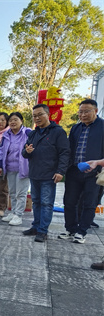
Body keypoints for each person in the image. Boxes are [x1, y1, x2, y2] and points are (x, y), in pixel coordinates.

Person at [22, 104, 70, 242]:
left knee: (46, 203)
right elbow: (24, 152)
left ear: (48, 114)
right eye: (34, 116)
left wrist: (60, 171)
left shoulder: (58, 132)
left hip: (49, 174)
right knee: (36, 202)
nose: (37, 118)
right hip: (35, 173)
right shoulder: (33, 133)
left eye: (40, 114)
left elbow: (64, 152)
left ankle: (43, 231)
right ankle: (36, 226)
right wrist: (27, 151)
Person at [59, 99, 103, 244]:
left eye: (86, 112)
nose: (83, 115)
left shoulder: (102, 127)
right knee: (69, 201)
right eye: (80, 112)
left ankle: (82, 231)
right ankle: (70, 229)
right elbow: (69, 149)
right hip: (74, 170)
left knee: (89, 203)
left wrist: (98, 164)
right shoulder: (75, 128)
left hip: (94, 172)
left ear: (95, 111)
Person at [0, 112, 32, 226]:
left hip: (23, 168)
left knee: (21, 193)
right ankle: (13, 213)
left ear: (21, 121)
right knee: (12, 192)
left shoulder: (28, 132)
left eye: (15, 120)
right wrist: (0, 165)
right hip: (10, 167)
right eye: (10, 120)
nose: (12, 122)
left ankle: (18, 215)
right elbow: (2, 151)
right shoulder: (6, 134)